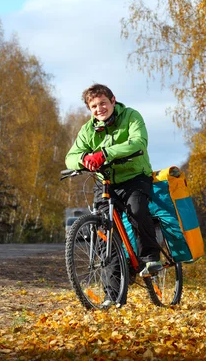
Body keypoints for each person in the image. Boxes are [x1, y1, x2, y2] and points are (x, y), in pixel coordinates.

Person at [65, 83, 161, 277]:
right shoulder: (87, 130)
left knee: (136, 210)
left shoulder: (131, 116)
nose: (99, 109)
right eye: (94, 106)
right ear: (90, 110)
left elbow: (138, 142)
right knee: (102, 230)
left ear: (113, 101)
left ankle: (151, 258)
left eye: (103, 103)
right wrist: (83, 159)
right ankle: (113, 293)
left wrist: (105, 153)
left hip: (135, 176)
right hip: (106, 181)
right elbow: (70, 157)